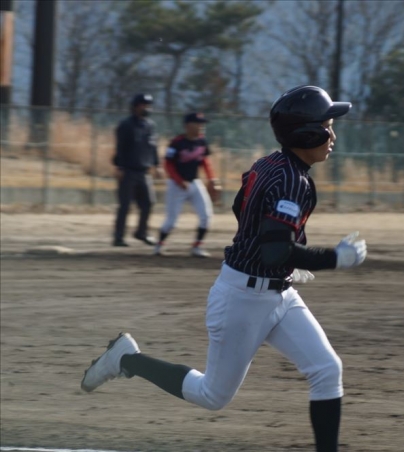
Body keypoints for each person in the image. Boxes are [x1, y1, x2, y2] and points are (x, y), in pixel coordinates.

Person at [81, 86, 367, 452]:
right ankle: (127, 359)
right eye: (327, 127)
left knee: (327, 370)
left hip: (277, 292)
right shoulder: (292, 180)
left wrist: (281, 259)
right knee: (212, 395)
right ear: (306, 134)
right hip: (242, 300)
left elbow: (242, 209)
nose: (333, 137)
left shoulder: (269, 164)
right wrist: (334, 258)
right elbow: (276, 249)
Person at [154, 112, 222, 258]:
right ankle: (159, 245)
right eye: (198, 123)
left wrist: (212, 179)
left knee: (206, 216)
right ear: (187, 125)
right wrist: (179, 181)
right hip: (176, 185)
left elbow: (205, 162)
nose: (201, 126)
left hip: (195, 182)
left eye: (202, 123)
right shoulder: (177, 142)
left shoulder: (201, 141)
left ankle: (197, 247)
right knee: (171, 221)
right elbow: (168, 164)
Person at [112, 93, 164, 247]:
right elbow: (120, 148)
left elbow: (153, 147)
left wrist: (157, 165)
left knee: (148, 202)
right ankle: (118, 237)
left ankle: (141, 232)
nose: (147, 108)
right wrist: (120, 167)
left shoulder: (150, 126)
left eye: (148, 105)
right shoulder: (126, 125)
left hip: (144, 171)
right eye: (143, 105)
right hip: (128, 170)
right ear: (135, 107)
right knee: (125, 205)